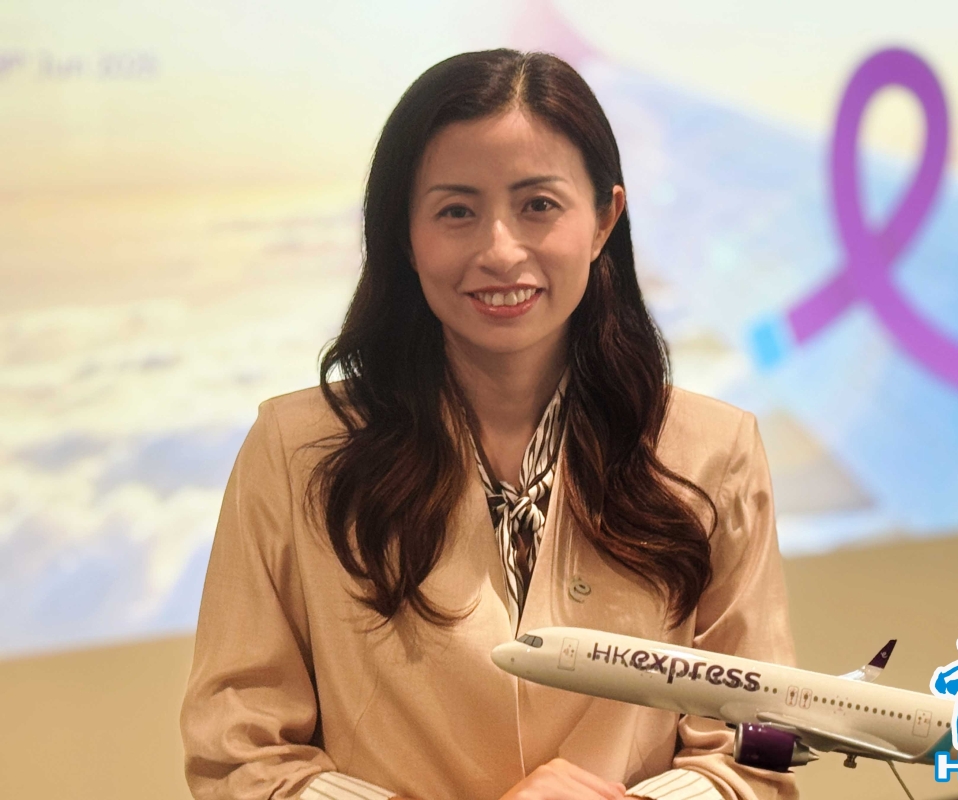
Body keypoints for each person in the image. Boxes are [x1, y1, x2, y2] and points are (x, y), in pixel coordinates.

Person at [180, 49, 798, 800]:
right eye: (456, 212)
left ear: (604, 219)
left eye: (539, 205)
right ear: (404, 233)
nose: (500, 251)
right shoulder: (296, 450)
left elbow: (760, 745)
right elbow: (240, 758)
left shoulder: (714, 451)